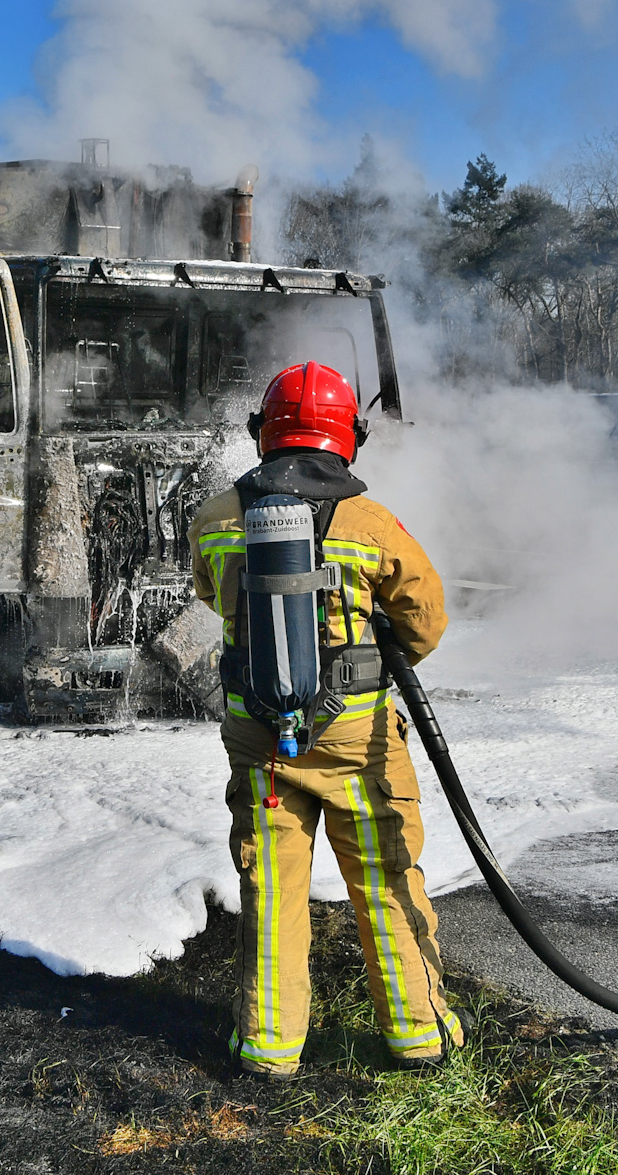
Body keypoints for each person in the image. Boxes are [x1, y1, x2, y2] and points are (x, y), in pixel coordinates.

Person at [187, 361, 461, 1078]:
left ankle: (268, 1048)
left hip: (260, 744)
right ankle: (418, 1036)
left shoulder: (215, 516)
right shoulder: (372, 523)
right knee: (384, 876)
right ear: (351, 438)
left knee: (271, 892)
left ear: (261, 435)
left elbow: (215, 598)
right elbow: (426, 623)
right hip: (356, 744)